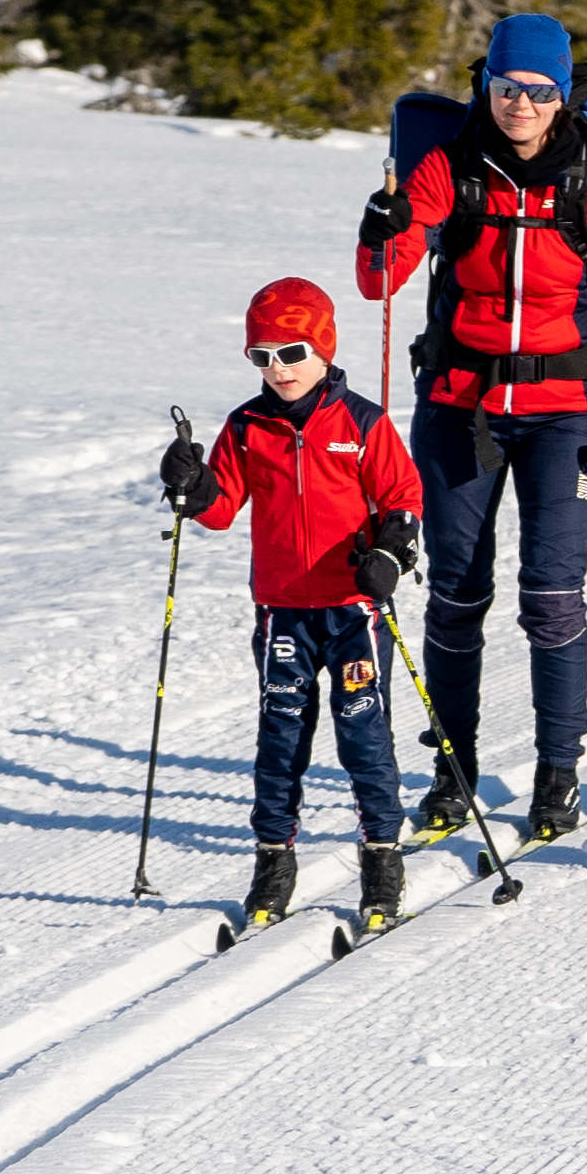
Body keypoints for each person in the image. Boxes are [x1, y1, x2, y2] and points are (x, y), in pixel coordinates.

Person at [357, 11, 587, 842]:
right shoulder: (448, 165)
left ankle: (557, 775)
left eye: (537, 92)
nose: (519, 105)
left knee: (553, 598)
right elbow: (381, 283)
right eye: (506, 88)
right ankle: (452, 770)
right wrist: (379, 234)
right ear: (484, 85)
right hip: (459, 405)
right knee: (455, 596)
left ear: (563, 97)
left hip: (566, 411)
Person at [158, 277, 433, 931]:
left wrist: (390, 553)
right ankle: (274, 861)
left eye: (291, 351)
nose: (278, 369)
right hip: (282, 609)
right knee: (280, 737)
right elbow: (222, 509)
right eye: (262, 356)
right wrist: (191, 488)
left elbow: (404, 498)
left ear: (325, 347)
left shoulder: (361, 422)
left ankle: (382, 857)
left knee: (365, 734)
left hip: (352, 610)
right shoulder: (247, 427)